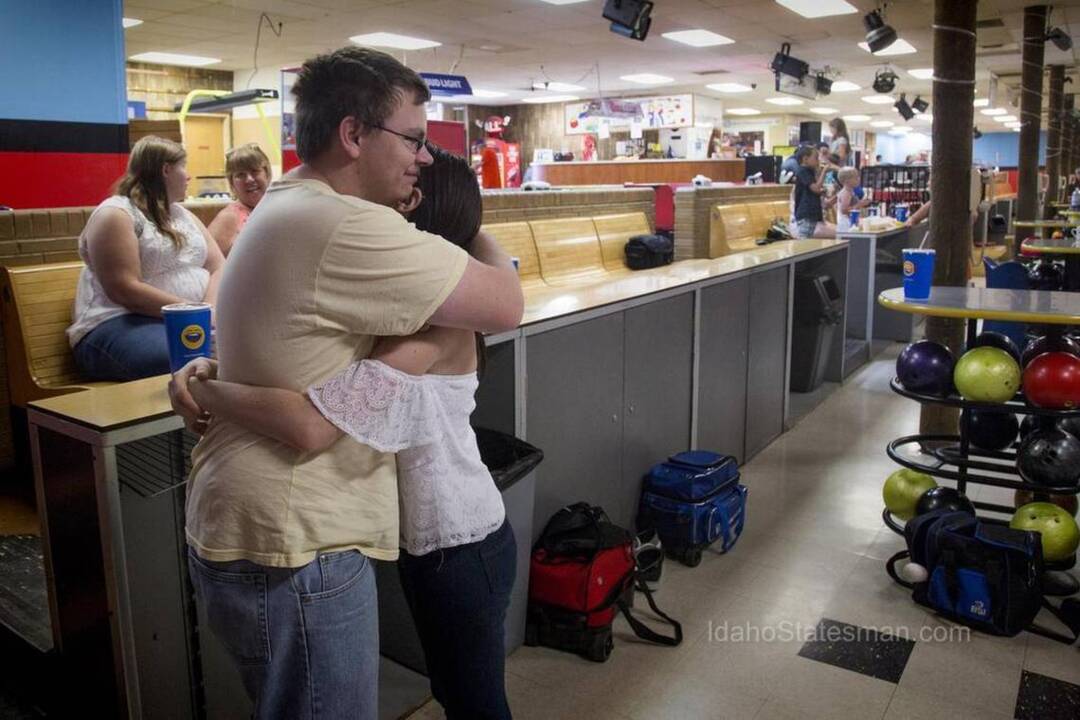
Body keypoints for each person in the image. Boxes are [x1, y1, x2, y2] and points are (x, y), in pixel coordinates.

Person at [169, 46, 523, 720]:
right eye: (414, 139)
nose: (423, 156)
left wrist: (204, 381)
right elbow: (505, 305)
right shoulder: (345, 225)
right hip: (296, 540)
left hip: (265, 525)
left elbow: (298, 381)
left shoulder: (288, 204)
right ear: (354, 134)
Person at [67, 136, 225, 381]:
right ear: (166, 169)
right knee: (187, 358)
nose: (189, 176)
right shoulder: (116, 214)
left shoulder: (182, 215)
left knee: (248, 349)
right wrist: (192, 314)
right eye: (184, 167)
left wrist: (209, 312)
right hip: (118, 324)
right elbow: (125, 289)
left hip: (185, 321)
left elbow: (218, 266)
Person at [207, 143, 271, 256]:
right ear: (232, 183)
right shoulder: (229, 217)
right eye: (241, 175)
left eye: (255, 171)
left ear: (267, 174)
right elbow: (211, 264)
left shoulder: (274, 208)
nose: (249, 179)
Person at [793, 145, 836, 239]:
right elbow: (816, 188)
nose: (818, 161)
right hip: (806, 215)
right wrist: (824, 172)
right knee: (805, 242)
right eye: (816, 158)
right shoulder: (802, 171)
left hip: (812, 215)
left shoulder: (810, 171)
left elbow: (815, 189)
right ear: (805, 159)